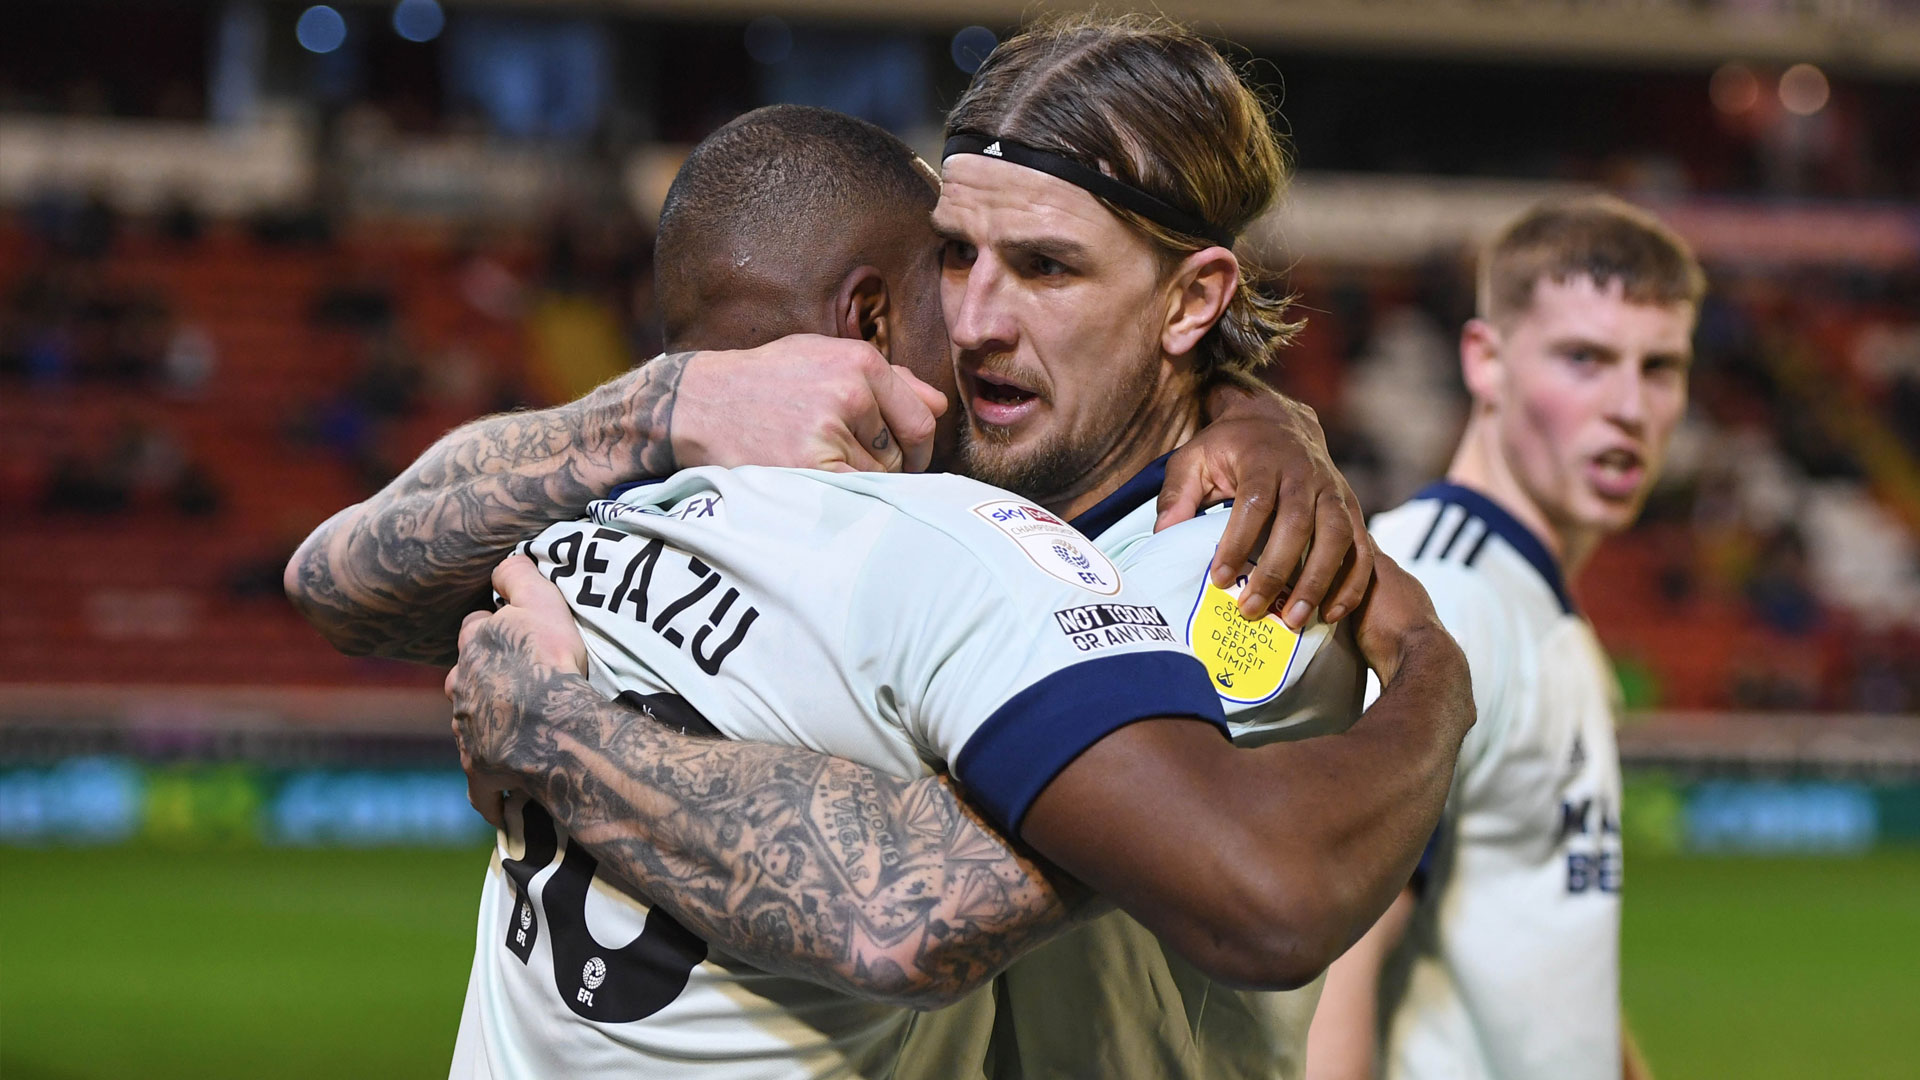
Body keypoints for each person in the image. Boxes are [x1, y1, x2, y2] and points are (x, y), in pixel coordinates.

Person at [443, 18, 1467, 1080]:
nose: (975, 319)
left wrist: (557, 737)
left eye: (1045, 268)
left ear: (1193, 300)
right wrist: (1260, 409)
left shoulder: (1236, 582)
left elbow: (909, 897)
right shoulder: (936, 483)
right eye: (956, 254)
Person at [1303, 196, 1703, 1080]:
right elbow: (1330, 964)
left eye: (1660, 367)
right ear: (1485, 361)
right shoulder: (1439, 600)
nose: (1630, 407)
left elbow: (1548, 950)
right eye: (1585, 359)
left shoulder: (1534, 602)